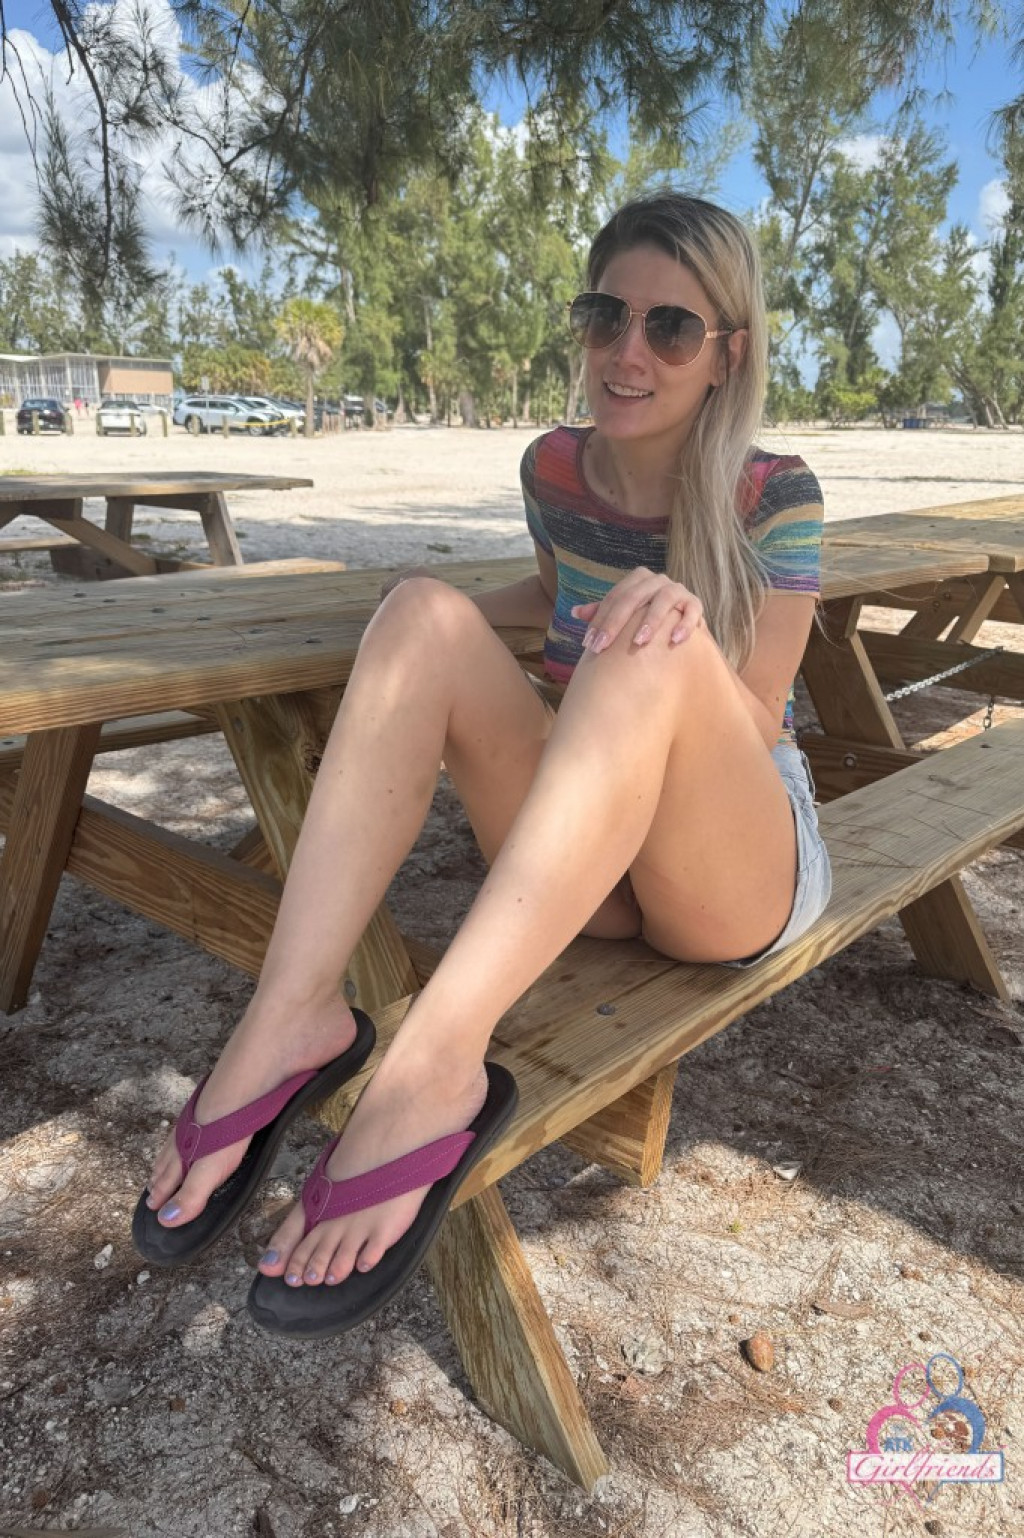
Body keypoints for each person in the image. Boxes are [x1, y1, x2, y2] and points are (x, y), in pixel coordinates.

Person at [132, 191, 831, 1336]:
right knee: (418, 610)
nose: (627, 352)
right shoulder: (553, 468)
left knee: (647, 643)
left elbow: (756, 714)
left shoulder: (773, 492)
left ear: (727, 353)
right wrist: (413, 626)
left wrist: (680, 628)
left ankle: (431, 1069)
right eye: (605, 316)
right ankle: (288, 1017)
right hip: (593, 846)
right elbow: (555, 596)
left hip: (735, 869)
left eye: (670, 328)